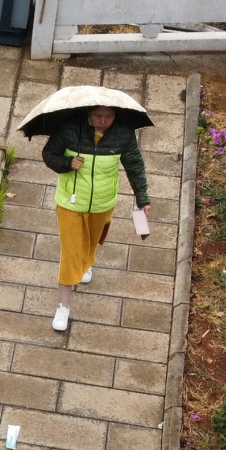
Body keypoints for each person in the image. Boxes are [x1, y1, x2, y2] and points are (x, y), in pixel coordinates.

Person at [42, 105, 150, 333]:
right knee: (71, 253)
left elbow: (135, 166)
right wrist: (67, 164)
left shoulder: (123, 133)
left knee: (91, 241)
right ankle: (63, 306)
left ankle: (87, 262)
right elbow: (49, 155)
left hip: (102, 202)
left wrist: (143, 199)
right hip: (70, 203)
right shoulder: (70, 129)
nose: (103, 121)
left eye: (109, 116)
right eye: (98, 116)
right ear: (88, 114)